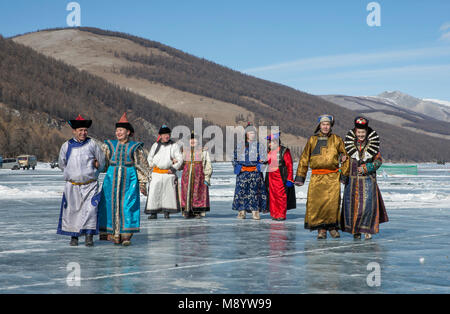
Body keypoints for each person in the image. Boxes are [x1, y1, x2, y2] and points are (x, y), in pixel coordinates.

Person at [98, 113, 150, 246]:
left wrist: (142, 183)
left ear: (128, 132)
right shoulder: (109, 145)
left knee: (128, 206)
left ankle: (126, 235)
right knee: (109, 205)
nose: (118, 133)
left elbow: (141, 166)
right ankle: (112, 234)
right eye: (117, 130)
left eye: (121, 130)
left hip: (129, 180)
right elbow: (103, 163)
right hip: (111, 179)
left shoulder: (135, 147)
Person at [294, 115, 349, 239]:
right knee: (317, 204)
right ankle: (321, 229)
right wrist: (300, 176)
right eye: (323, 124)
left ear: (331, 126)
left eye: (328, 124)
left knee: (332, 203)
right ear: (319, 125)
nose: (325, 126)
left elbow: (346, 157)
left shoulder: (337, 139)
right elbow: (304, 158)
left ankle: (332, 228)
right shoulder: (312, 140)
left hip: (332, 177)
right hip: (317, 177)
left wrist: (344, 174)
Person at [57, 115, 105, 246]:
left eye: (85, 130)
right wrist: (72, 173)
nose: (83, 133)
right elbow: (62, 164)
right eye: (80, 130)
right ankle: (74, 236)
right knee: (73, 211)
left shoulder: (93, 144)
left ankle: (89, 236)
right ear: (74, 131)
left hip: (90, 185)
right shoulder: (66, 146)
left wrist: (95, 170)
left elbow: (101, 161)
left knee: (91, 210)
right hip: (72, 186)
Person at [341, 117, 389, 239]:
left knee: (367, 207)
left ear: (366, 132)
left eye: (363, 132)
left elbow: (378, 162)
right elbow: (343, 159)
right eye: (359, 132)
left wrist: (367, 167)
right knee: (352, 207)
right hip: (352, 181)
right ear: (355, 132)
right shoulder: (348, 145)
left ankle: (367, 230)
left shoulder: (373, 146)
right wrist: (341, 159)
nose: (361, 135)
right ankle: (355, 230)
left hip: (368, 180)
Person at [145, 125, 183, 219]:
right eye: (164, 134)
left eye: (168, 134)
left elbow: (180, 158)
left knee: (168, 194)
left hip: (168, 173)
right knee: (154, 192)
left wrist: (173, 168)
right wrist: (152, 165)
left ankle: (167, 212)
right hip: (156, 173)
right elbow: (149, 157)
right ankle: (153, 212)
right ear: (160, 135)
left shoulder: (174, 146)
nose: (166, 136)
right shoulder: (155, 145)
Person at [232, 123, 267, 220]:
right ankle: (241, 212)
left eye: (253, 133)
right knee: (241, 193)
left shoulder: (260, 146)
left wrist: (259, 167)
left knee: (255, 193)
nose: (252, 134)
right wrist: (239, 167)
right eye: (250, 133)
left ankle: (255, 212)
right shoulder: (240, 146)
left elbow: (265, 159)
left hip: (255, 173)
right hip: (243, 173)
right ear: (246, 134)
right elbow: (234, 159)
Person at [180, 132, 213, 218]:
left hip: (199, 177)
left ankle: (198, 211)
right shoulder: (184, 151)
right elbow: (181, 164)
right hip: (186, 177)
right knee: (186, 193)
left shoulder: (203, 151)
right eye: (191, 139)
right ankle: (187, 211)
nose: (192, 141)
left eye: (194, 139)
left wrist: (207, 177)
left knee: (198, 193)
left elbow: (207, 164)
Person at [265, 132, 296, 221]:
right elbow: (267, 161)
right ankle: (274, 214)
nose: (269, 144)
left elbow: (289, 165)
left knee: (281, 196)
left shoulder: (284, 151)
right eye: (269, 142)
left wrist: (290, 179)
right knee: (272, 196)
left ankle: (281, 214)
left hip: (280, 176)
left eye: (270, 142)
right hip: (271, 177)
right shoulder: (269, 151)